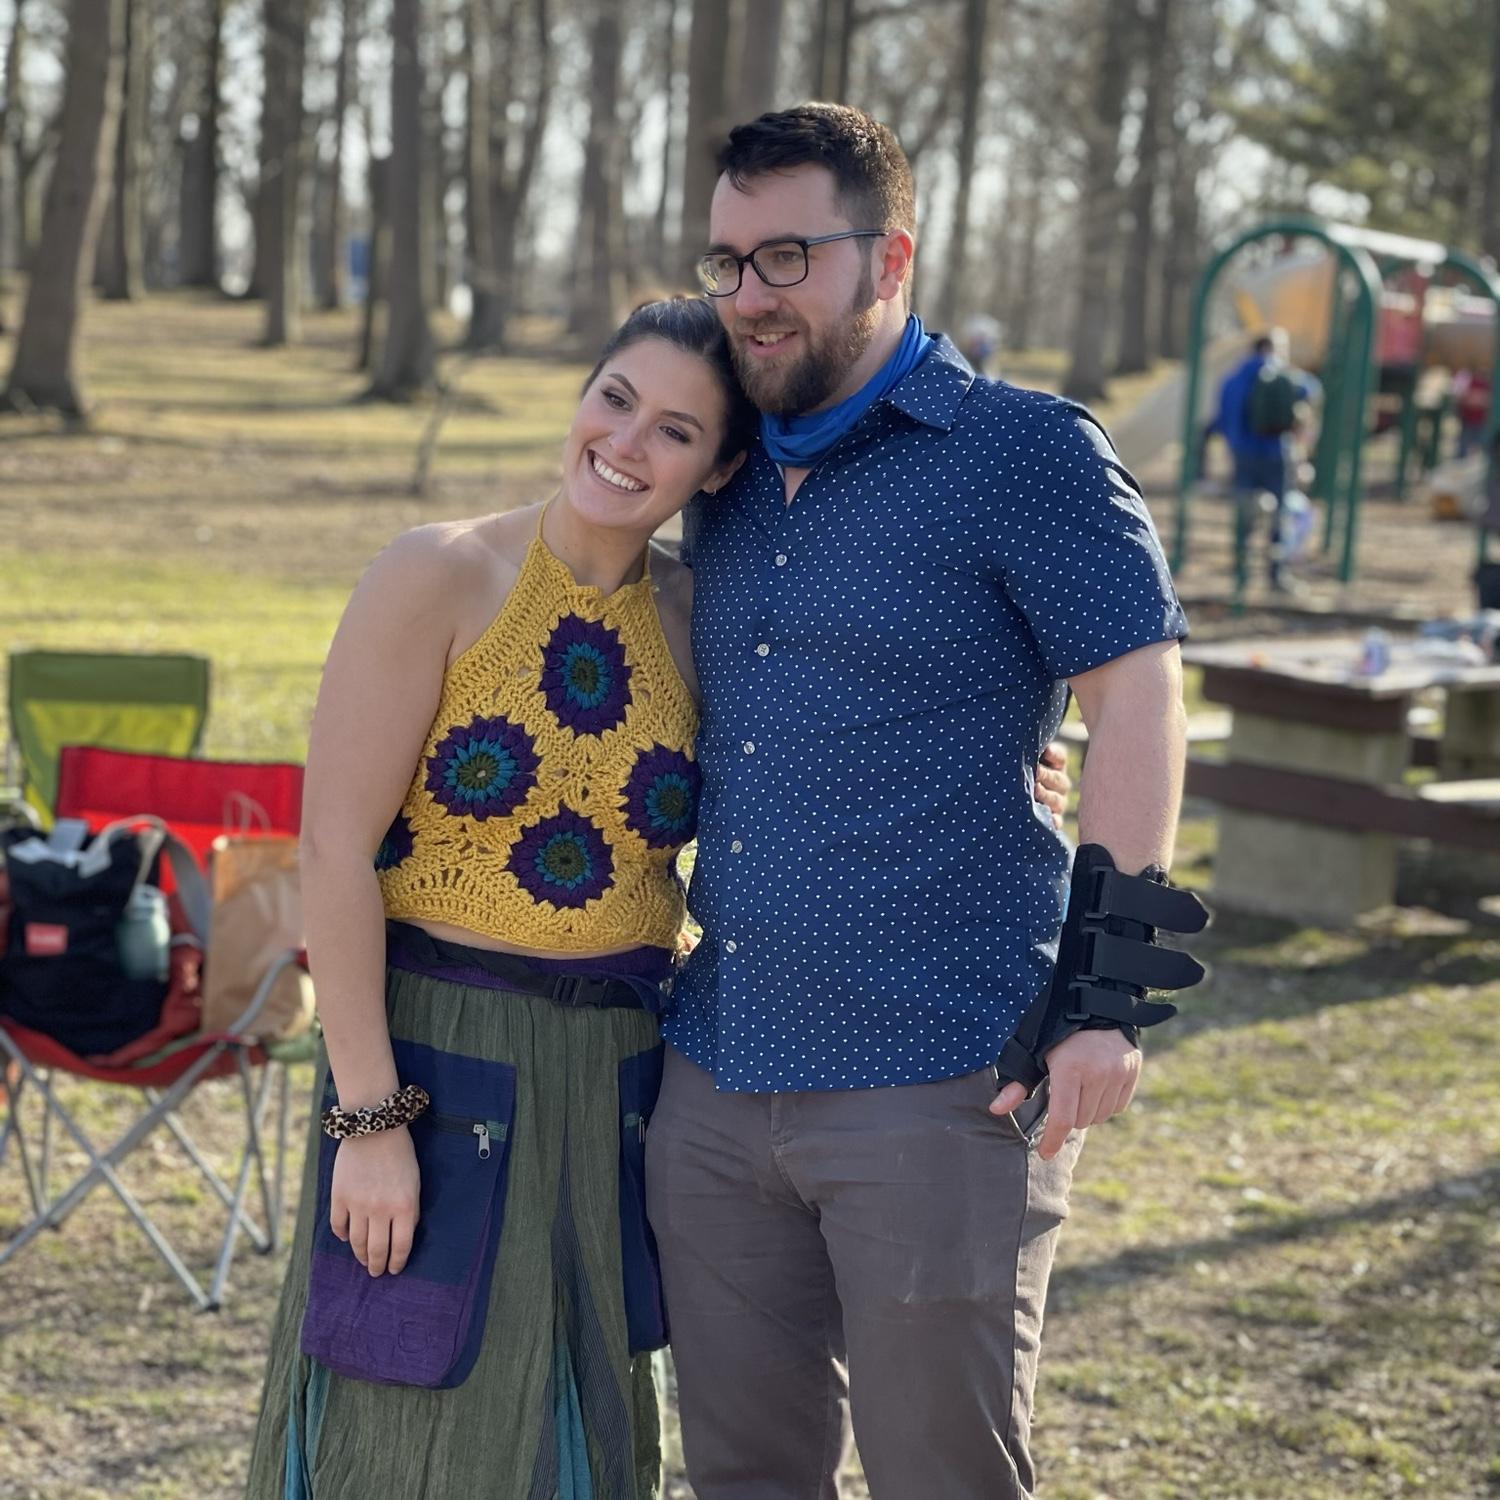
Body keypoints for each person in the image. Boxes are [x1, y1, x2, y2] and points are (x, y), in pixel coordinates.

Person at [243, 295, 1073, 1499]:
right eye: (616, 399)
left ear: (722, 465)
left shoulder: (704, 616)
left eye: (675, 432)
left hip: (623, 1070)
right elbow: (331, 854)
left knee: (580, 1416)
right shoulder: (440, 573)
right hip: (435, 1052)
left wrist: (1019, 756)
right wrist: (370, 1123)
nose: (626, 445)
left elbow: (834, 741)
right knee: (414, 1423)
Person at [644, 104, 1202, 1500]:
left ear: (888, 255)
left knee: (943, 1476)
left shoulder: (1026, 453)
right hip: (716, 1069)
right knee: (741, 1478)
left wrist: (1106, 994)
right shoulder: (719, 464)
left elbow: (1134, 699)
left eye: (786, 258)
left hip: (941, 1077)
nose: (749, 298)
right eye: (726, 261)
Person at [1216, 328, 1315, 593]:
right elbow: (1311, 389)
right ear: (1274, 349)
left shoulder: (1233, 378)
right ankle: (1276, 574)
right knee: (1280, 513)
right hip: (1276, 452)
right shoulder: (1285, 376)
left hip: (1243, 454)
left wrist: (1233, 446)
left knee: (1245, 511)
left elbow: (1224, 417)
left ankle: (1240, 573)